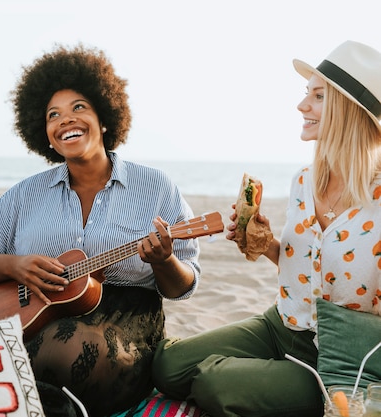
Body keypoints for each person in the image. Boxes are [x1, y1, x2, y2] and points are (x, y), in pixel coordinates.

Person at [0, 44, 201, 417]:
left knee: (62, 353)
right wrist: (14, 266)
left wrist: (164, 261)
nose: (66, 120)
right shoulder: (26, 193)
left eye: (78, 107)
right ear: (46, 133)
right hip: (33, 307)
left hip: (124, 319)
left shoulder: (156, 186)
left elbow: (183, 286)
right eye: (54, 115)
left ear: (104, 118)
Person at [151, 40, 381, 417]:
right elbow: (314, 265)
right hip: (282, 324)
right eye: (305, 94)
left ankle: (294, 388)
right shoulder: (303, 181)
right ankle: (276, 384)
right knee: (168, 366)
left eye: (318, 96)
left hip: (340, 357)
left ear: (349, 110)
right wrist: (267, 244)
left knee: (214, 383)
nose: (302, 106)